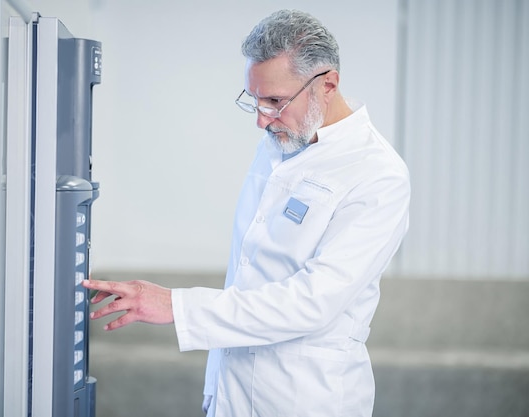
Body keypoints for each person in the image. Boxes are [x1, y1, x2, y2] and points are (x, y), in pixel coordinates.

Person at [83, 9, 410, 417]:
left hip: (303, 399)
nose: (261, 120)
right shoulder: (282, 142)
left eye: (274, 101)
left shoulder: (378, 174)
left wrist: (177, 306)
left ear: (327, 84)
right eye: (254, 101)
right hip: (230, 388)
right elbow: (251, 270)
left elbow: (313, 302)